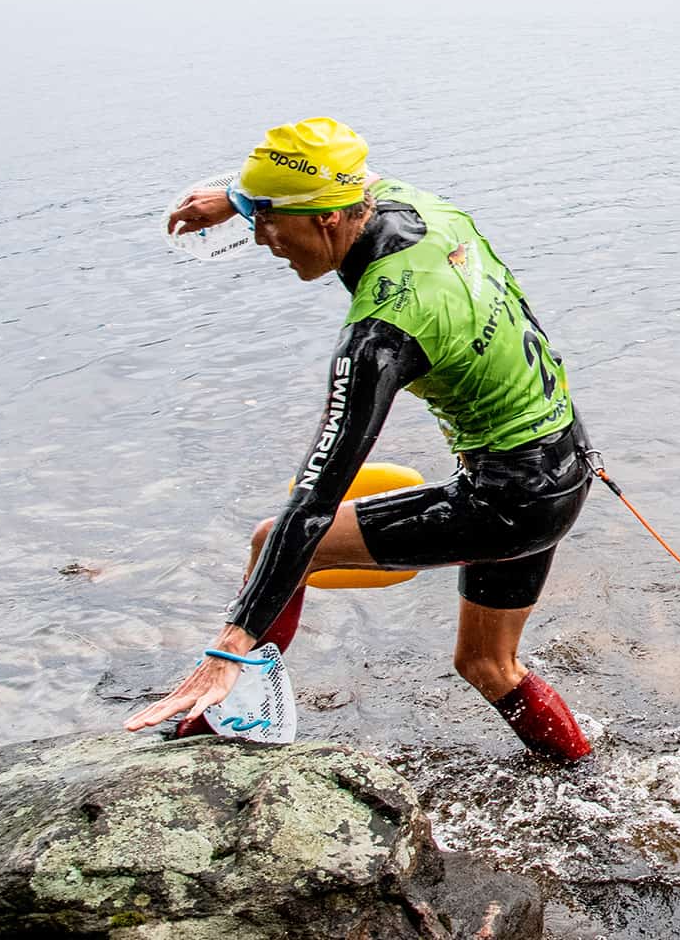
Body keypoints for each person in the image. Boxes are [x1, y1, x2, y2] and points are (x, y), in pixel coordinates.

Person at [124, 118, 596, 762]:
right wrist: (233, 201)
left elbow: (316, 500)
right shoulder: (416, 207)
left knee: (276, 542)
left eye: (269, 224)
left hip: (509, 501)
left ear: (324, 220)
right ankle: (582, 776)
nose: (264, 241)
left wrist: (229, 645)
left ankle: (239, 714)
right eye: (255, 220)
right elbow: (338, 168)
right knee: (487, 665)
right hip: (563, 464)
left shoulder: (382, 333)